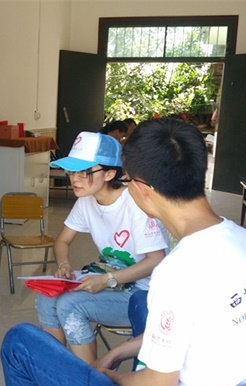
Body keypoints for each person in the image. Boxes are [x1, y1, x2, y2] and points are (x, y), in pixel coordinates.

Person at [0, 118, 246, 386]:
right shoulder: (245, 240)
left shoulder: (177, 271)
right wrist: (116, 354)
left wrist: (110, 377)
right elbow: (194, 331)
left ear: (141, 189)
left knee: (19, 341)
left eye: (127, 180)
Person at [36, 131, 168, 363]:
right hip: (112, 280)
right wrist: (64, 264)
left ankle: (88, 378)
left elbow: (156, 260)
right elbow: (62, 241)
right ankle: (58, 367)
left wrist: (107, 280)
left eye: (84, 172)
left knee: (70, 305)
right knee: (47, 295)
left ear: (109, 173)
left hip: (145, 293)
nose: (75, 179)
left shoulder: (134, 203)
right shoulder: (86, 201)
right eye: (71, 171)